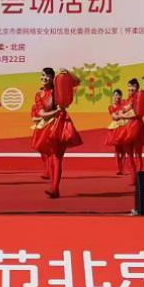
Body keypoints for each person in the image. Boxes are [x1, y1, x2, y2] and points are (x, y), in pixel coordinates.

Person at [30, 67, 83, 198]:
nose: (44, 78)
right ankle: (54, 188)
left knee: (57, 158)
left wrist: (67, 72)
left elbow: (77, 82)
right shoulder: (39, 95)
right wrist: (57, 111)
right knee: (51, 158)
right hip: (47, 126)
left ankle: (54, 188)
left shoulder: (59, 89)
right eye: (42, 75)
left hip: (61, 124)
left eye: (47, 76)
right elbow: (42, 114)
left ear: (53, 78)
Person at [114, 78, 144, 182]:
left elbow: (138, 112)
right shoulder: (126, 101)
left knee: (138, 155)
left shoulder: (138, 98)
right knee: (129, 155)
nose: (131, 88)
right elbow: (122, 111)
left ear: (137, 87)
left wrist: (143, 95)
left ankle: (139, 178)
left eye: (133, 86)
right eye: (129, 86)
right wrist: (119, 115)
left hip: (137, 128)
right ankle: (133, 178)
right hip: (126, 129)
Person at [104, 89, 129, 176]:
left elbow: (127, 113)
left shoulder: (124, 105)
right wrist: (122, 114)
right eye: (115, 95)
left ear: (121, 96)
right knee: (117, 150)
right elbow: (115, 117)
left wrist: (121, 114)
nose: (117, 97)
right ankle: (119, 169)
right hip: (116, 129)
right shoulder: (111, 107)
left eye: (119, 95)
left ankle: (123, 169)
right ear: (113, 96)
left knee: (124, 150)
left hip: (124, 128)